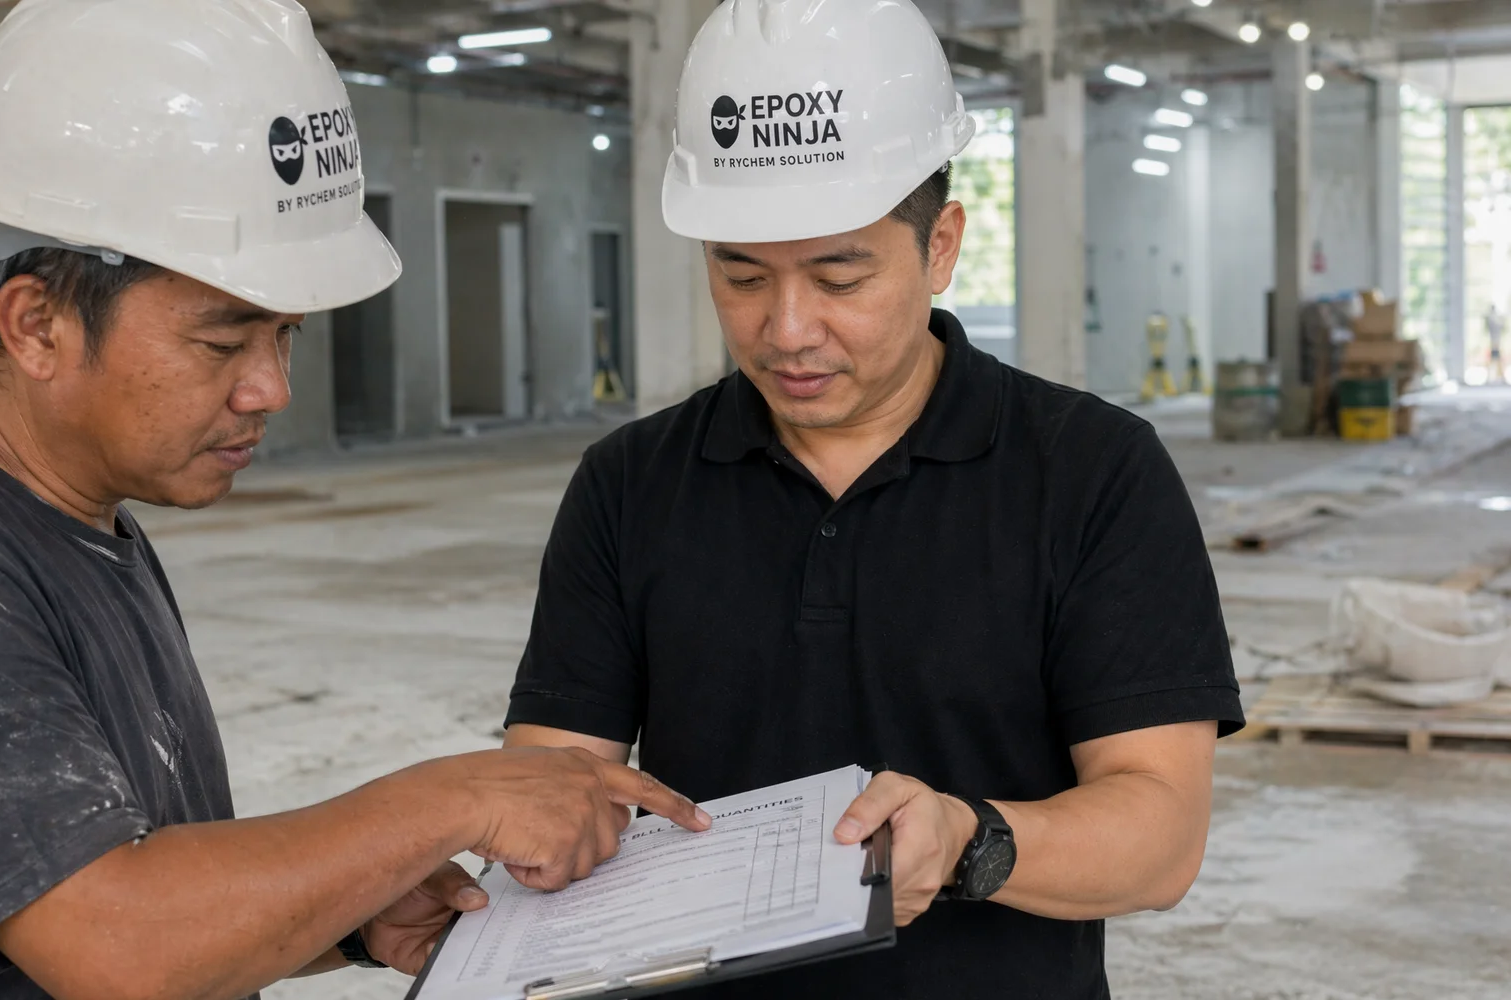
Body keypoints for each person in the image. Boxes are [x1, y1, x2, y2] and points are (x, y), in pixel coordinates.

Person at [0, 3, 709, 999]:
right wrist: (452, 796)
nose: (269, 387)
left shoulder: (79, 525)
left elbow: (130, 878)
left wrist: (348, 915)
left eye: (286, 336)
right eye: (221, 341)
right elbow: (119, 943)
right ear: (37, 322)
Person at [503, 2, 1244, 998]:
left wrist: (970, 837)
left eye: (839, 274)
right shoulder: (629, 483)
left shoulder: (1092, 471)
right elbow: (551, 791)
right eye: (742, 274)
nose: (788, 328)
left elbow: (1161, 835)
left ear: (940, 245)